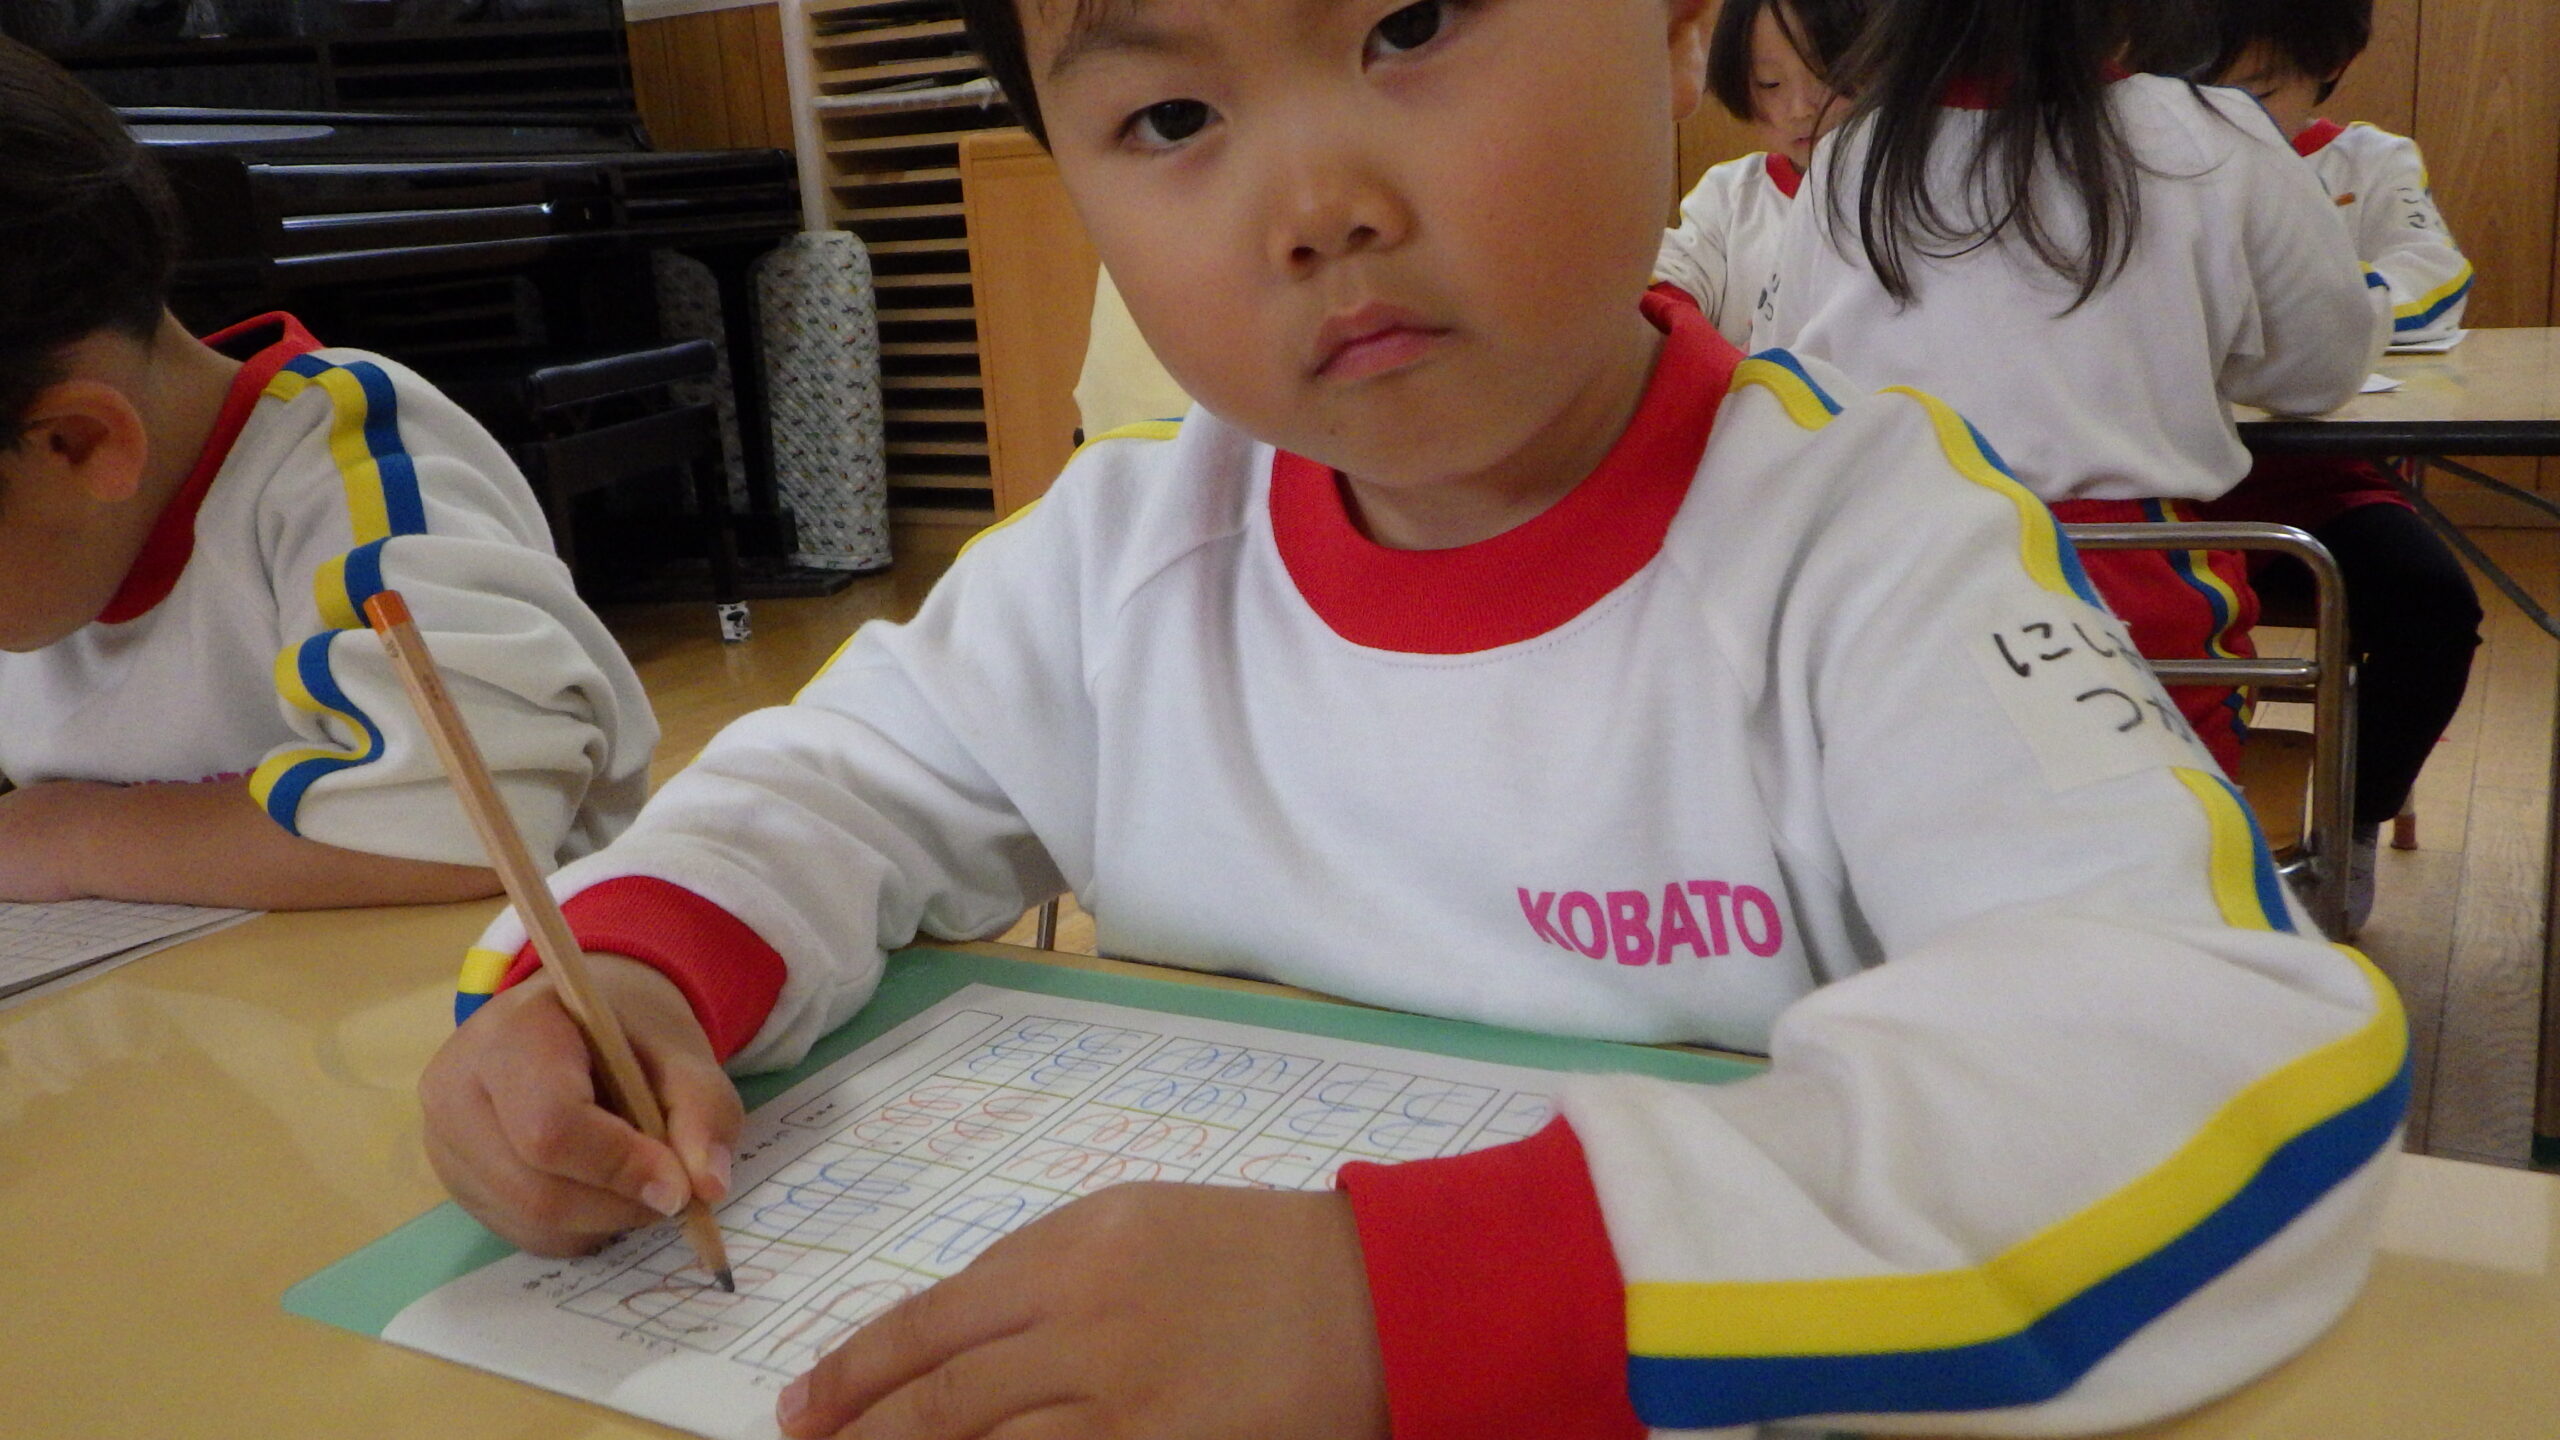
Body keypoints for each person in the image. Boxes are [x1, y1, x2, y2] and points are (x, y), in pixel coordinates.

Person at [419, 2, 2406, 1437]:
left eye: (1410, 23)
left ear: (1675, 28)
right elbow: (836, 784)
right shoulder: (1117, 562)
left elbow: (2206, 1061)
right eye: (1170, 115)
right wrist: (629, 980)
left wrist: (1408, 1303)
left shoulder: (1875, 560)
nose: (1313, 206)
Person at [0, 38, 657, 909]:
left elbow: (471, 822)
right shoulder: (53, 548)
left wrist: (69, 836)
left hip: (468, 982)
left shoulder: (347, 467)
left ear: (75, 444)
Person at [1762, 0, 2383, 778]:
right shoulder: (2207, 131)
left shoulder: (1851, 156)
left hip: (1895, 617)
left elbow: (1788, 392)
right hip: (2144, 621)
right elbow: (2320, 371)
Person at [2191, 0, 2483, 935]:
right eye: (2206, 83)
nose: (2231, 110)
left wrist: (2322, 309)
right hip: (2175, 480)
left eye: (2261, 89)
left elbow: (2435, 276)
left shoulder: (2363, 161)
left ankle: (2351, 824)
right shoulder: (2155, 158)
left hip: (2319, 481)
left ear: (2328, 71)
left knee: (2432, 607)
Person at [1654, 0, 1871, 347]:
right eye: (1770, 84)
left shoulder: (1894, 200)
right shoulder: (1730, 196)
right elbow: (1674, 278)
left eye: (1827, 76)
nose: (1800, 108)